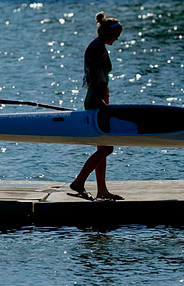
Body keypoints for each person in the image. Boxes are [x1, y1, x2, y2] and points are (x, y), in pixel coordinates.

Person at [70, 12, 124, 201]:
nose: (117, 39)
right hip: (96, 98)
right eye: (116, 35)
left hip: (99, 96)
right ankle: (79, 182)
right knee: (107, 148)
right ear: (108, 33)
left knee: (102, 148)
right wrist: (101, 100)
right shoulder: (97, 47)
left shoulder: (97, 45)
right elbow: (93, 75)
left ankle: (102, 190)